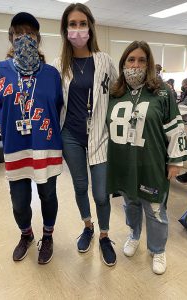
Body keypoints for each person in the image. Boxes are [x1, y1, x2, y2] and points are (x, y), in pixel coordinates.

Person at [106, 41, 187, 274]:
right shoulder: (115, 92)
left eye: (142, 60)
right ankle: (134, 235)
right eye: (131, 60)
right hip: (124, 162)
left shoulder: (161, 91)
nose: (136, 65)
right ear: (123, 63)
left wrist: (175, 161)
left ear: (149, 63)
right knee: (130, 204)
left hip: (151, 162)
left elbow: (176, 127)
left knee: (155, 209)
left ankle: (158, 248)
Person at [0, 12, 63, 265]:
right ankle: (26, 234)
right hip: (16, 148)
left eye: (30, 33)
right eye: (19, 33)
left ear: (38, 39)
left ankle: (48, 236)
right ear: (11, 38)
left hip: (47, 148)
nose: (24, 38)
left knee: (48, 197)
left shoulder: (52, 74)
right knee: (19, 203)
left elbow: (59, 109)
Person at [52, 3, 117, 266]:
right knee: (80, 186)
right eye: (72, 24)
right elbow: (52, 100)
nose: (77, 29)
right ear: (65, 29)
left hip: (99, 134)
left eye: (82, 23)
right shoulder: (59, 65)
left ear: (90, 26)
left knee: (101, 193)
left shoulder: (105, 61)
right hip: (70, 135)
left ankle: (104, 235)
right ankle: (88, 227)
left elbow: (118, 92)